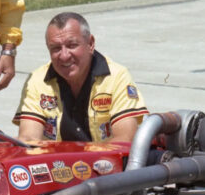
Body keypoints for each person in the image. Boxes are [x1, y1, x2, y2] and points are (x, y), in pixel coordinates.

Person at [14, 12, 149, 144]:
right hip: (55, 160)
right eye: (56, 48)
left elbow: (125, 140)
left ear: (90, 43)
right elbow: (28, 140)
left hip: (105, 159)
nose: (64, 56)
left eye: (72, 45)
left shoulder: (117, 77)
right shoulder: (36, 80)